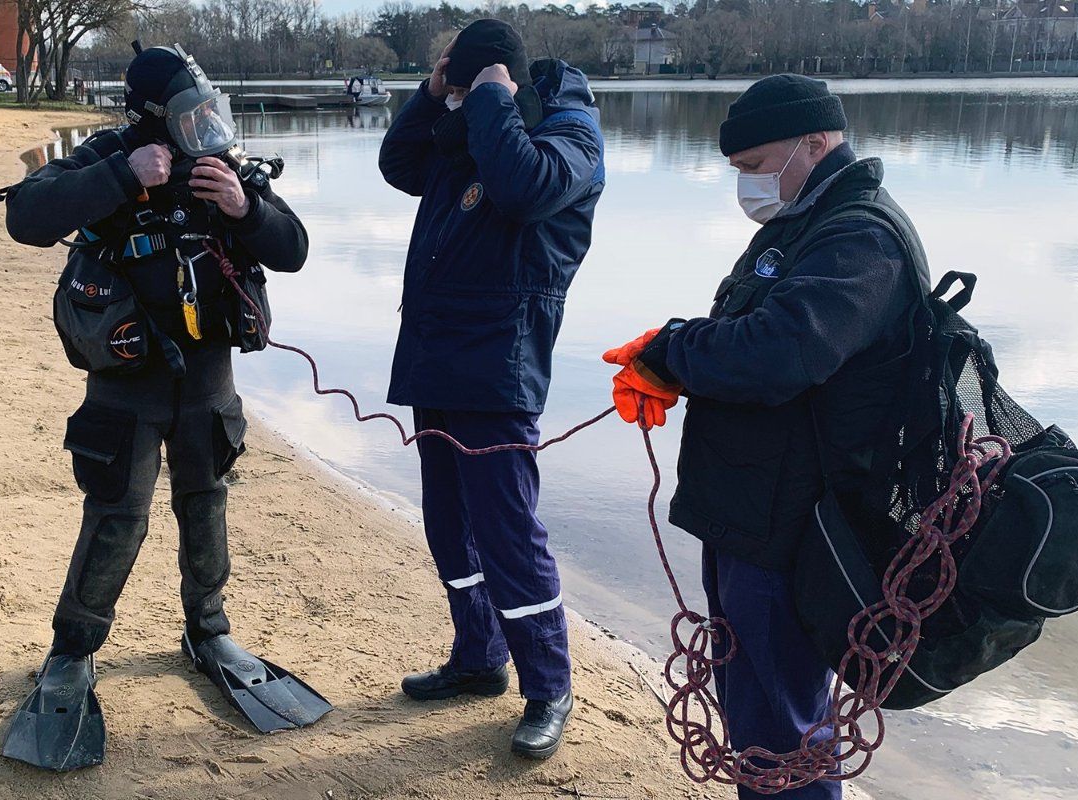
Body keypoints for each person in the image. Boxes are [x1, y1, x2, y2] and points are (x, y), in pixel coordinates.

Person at [0, 42, 326, 771]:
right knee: (118, 515)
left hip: (208, 380)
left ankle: (207, 631)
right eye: (189, 115)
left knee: (206, 505)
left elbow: (294, 248)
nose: (204, 128)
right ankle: (73, 652)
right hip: (127, 383)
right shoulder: (111, 155)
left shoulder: (222, 166)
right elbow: (26, 215)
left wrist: (245, 205)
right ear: (150, 118)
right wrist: (122, 175)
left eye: (212, 113)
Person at [603, 74, 930, 798]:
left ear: (815, 143)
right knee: (751, 710)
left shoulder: (862, 238)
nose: (747, 185)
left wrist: (670, 350)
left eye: (755, 166)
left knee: (785, 722)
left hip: (797, 529)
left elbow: (780, 354)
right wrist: (676, 361)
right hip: (750, 512)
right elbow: (746, 335)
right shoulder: (801, 222)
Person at [378, 19, 606, 759]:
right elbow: (398, 160)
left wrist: (492, 100)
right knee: (451, 526)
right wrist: (432, 91)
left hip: (499, 370)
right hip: (437, 362)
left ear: (504, 82)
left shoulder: (567, 138)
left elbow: (522, 187)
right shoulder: (471, 132)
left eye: (468, 84)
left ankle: (549, 686)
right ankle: (479, 658)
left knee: (510, 536)